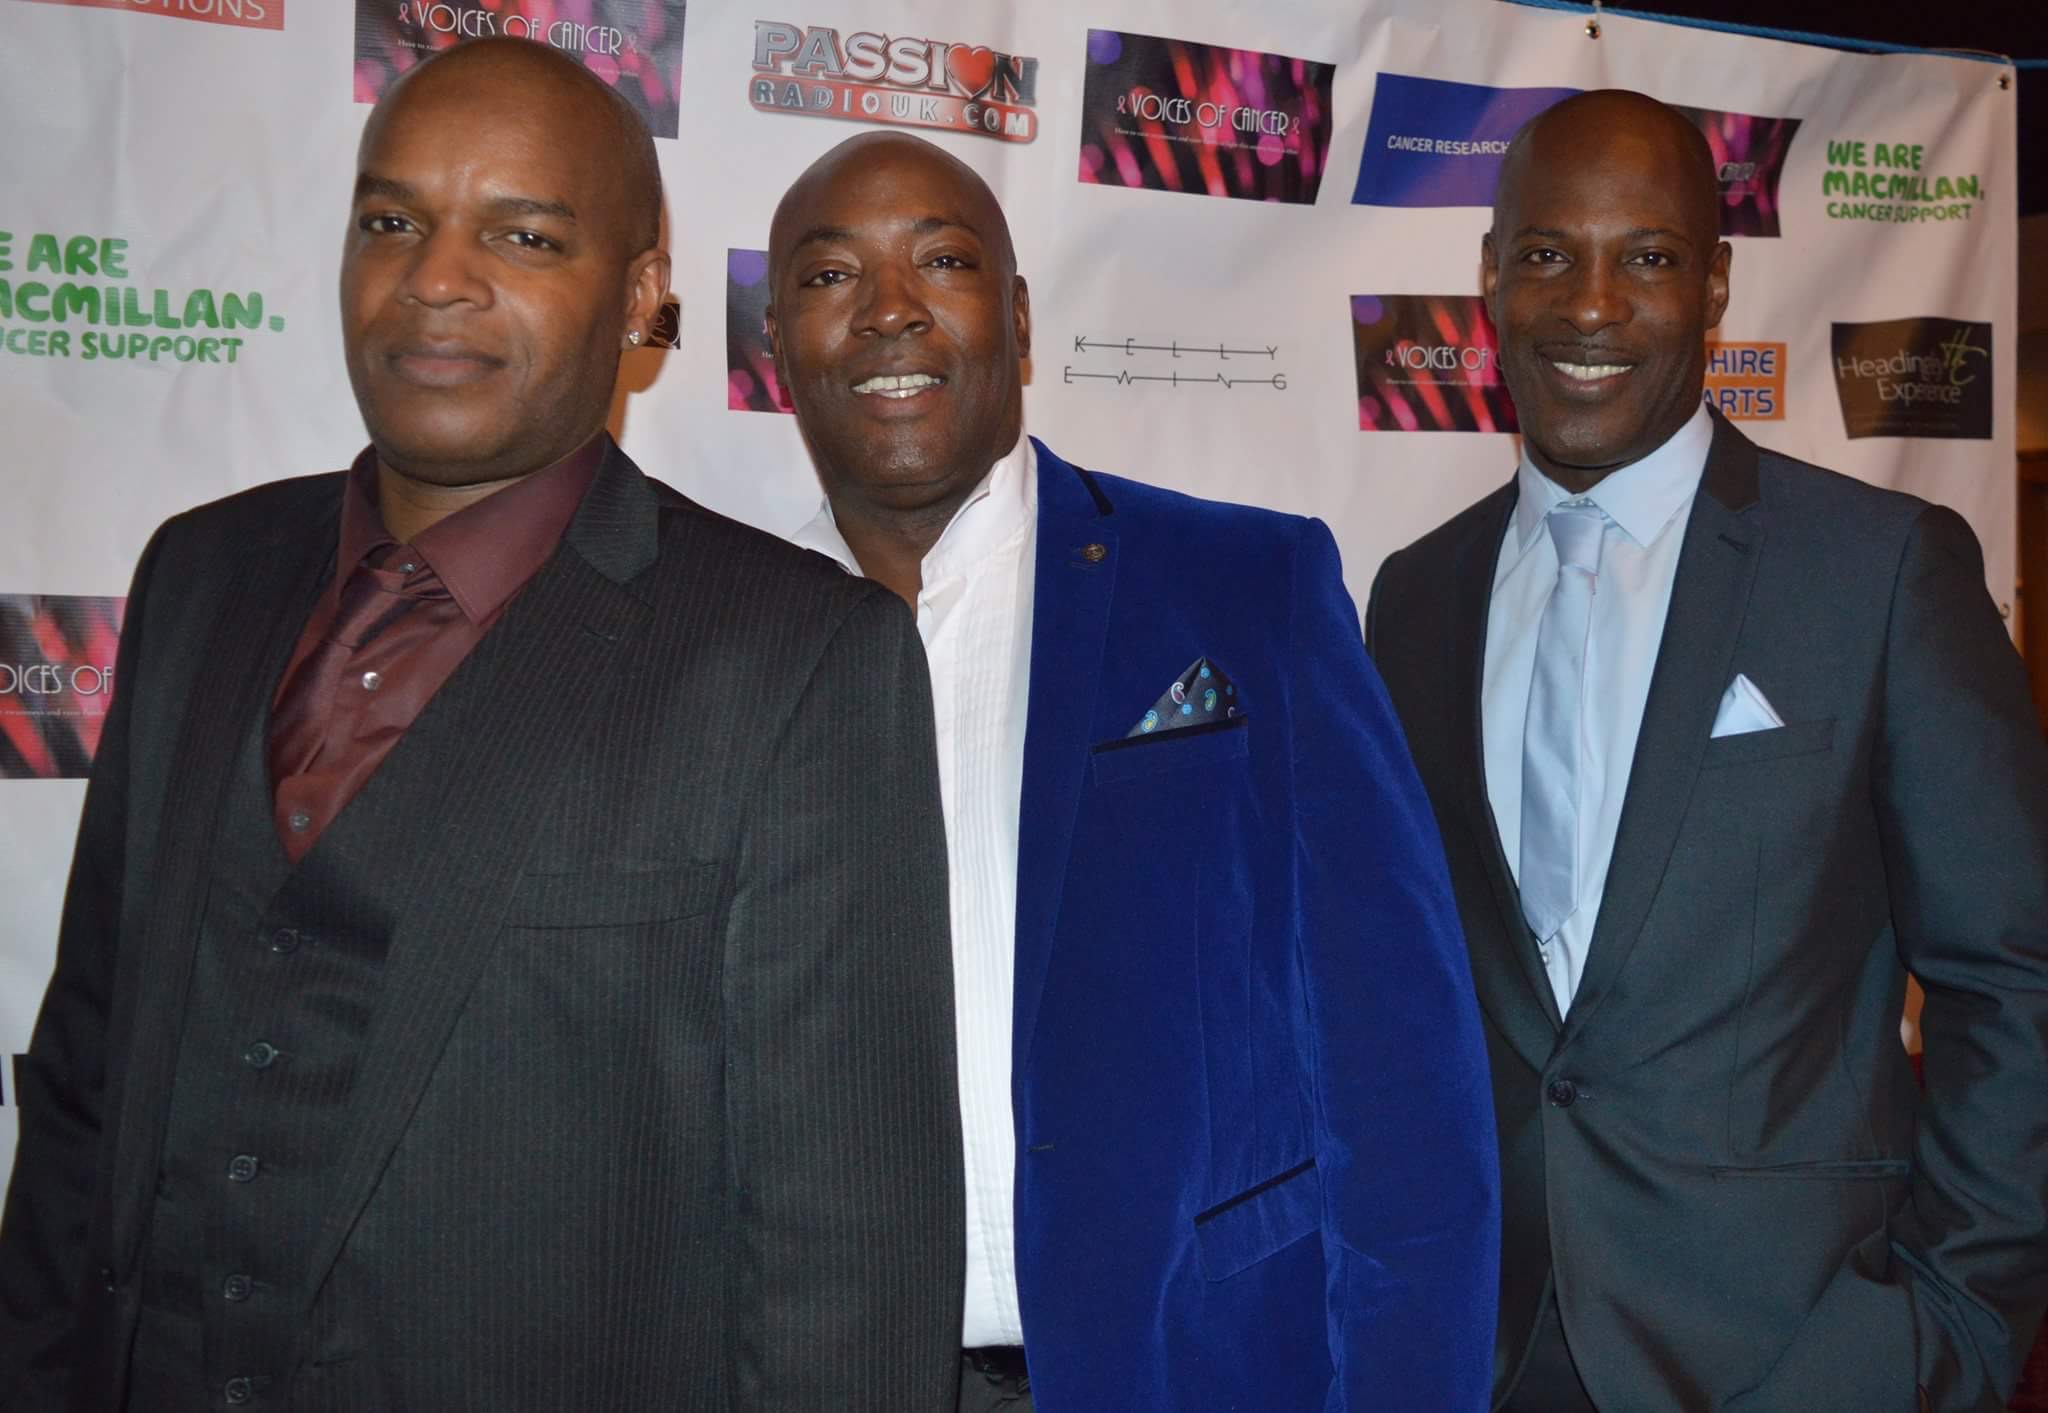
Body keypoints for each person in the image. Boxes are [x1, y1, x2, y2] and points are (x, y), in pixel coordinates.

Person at [0, 39, 964, 1413]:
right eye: (392, 222)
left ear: (641, 295)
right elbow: (84, 1087)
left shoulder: (798, 657)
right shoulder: (199, 574)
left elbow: (846, 1256)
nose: (435, 278)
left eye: (522, 235)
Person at [764, 130, 1500, 1413]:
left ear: (1018, 319)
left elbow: (1399, 1062)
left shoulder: (1244, 586)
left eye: (942, 261)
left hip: (1201, 1366)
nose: (889, 308)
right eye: (832, 276)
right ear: (776, 345)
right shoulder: (722, 648)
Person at [1367, 89, 2048, 1412]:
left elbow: (2013, 981)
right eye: (1548, 253)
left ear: (1716, 283)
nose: (1590, 305)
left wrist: (1942, 1328)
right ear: (1490, 275)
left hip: (1801, 1357)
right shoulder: (1414, 597)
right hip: (1477, 1349)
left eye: (1647, 256)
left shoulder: (1878, 573)